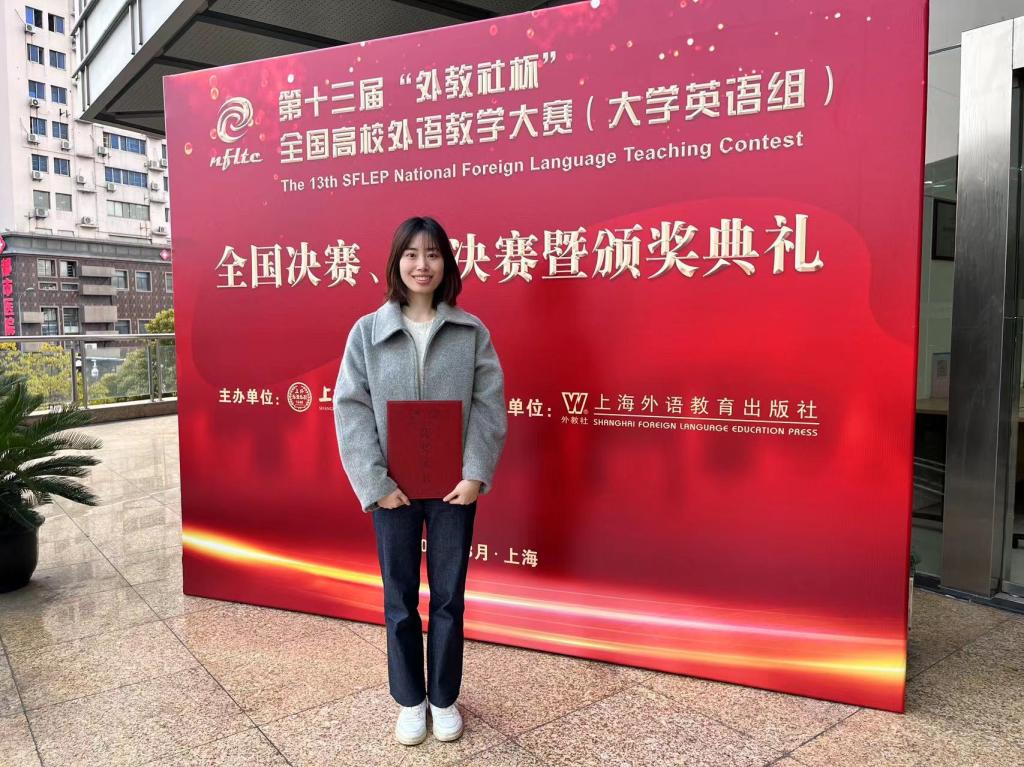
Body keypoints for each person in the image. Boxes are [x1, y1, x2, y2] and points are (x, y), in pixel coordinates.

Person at [333, 216, 508, 746]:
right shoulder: (367, 332)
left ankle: (444, 698)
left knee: (450, 597)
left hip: (455, 490)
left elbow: (488, 405)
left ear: (446, 264)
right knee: (400, 598)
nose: (422, 264)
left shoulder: (470, 331)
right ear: (397, 263)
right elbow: (351, 408)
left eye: (432, 254)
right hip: (393, 492)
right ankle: (411, 700)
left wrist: (476, 473)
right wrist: (374, 482)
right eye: (411, 254)